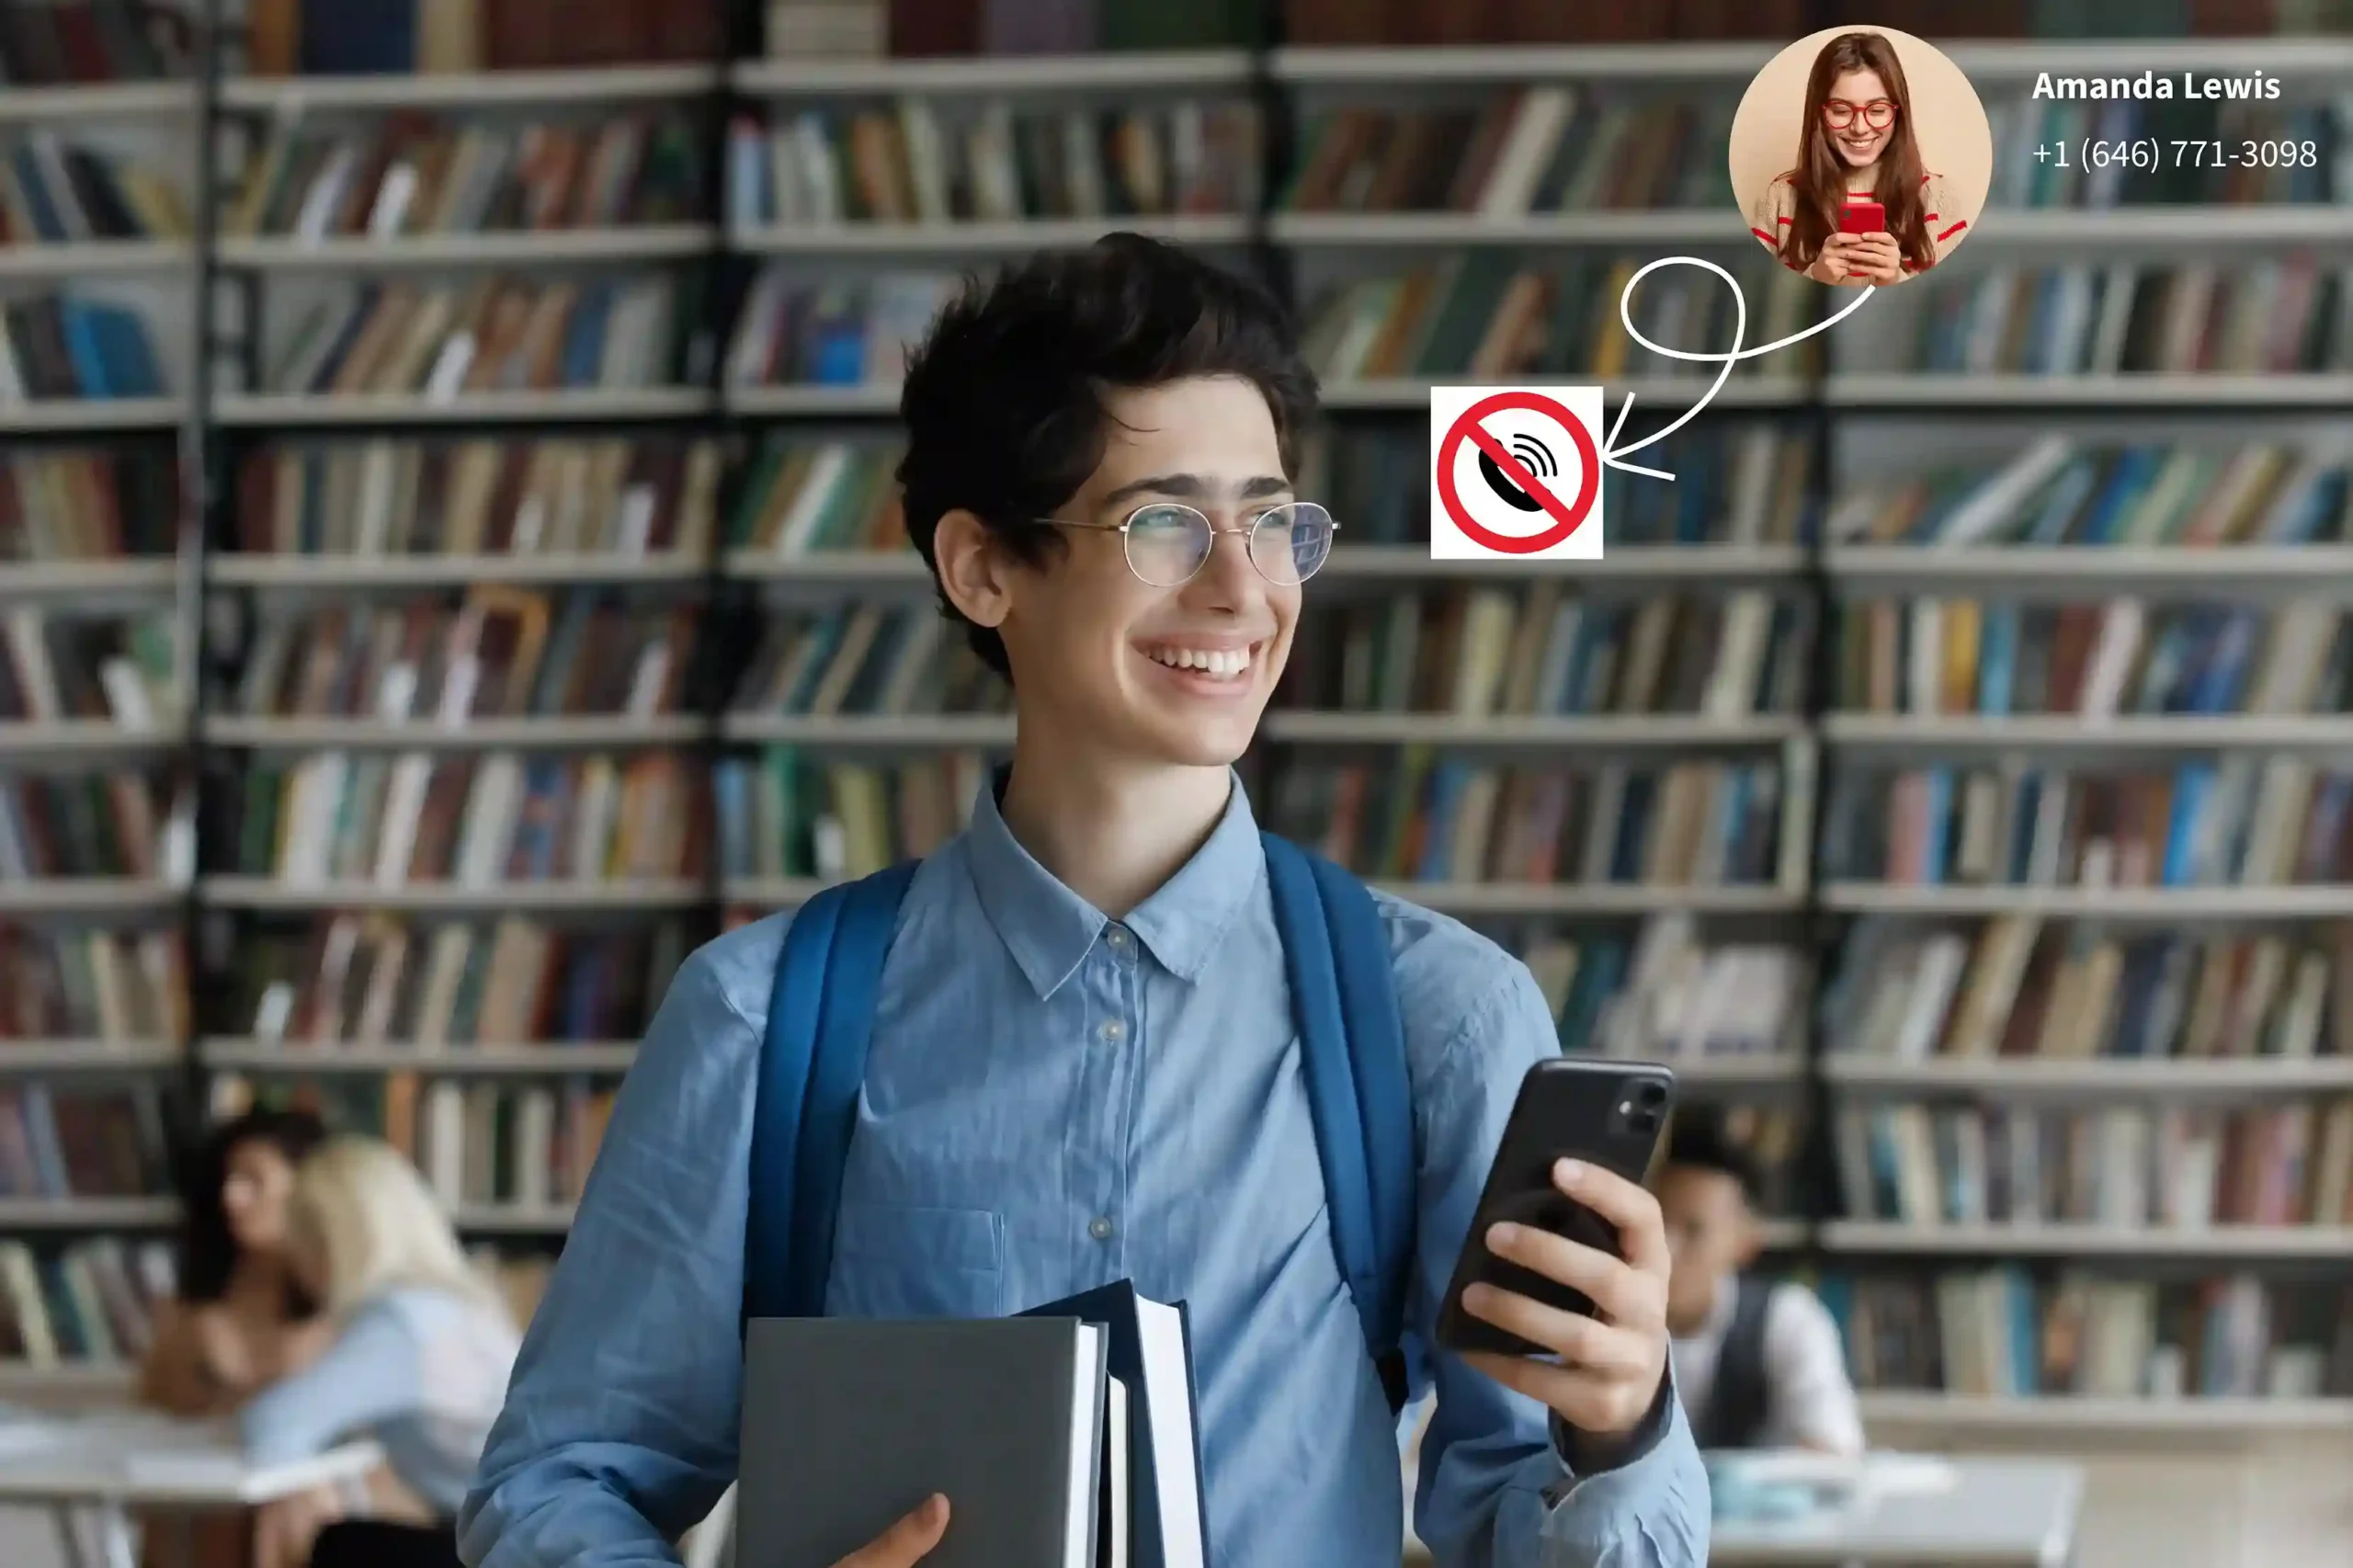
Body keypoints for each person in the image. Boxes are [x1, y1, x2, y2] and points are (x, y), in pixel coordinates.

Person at [459, 233, 1707, 1568]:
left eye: (1274, 519)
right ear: (985, 567)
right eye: (1166, 522)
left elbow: (1532, 1519)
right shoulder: (761, 1020)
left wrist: (1616, 1432)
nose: (1244, 587)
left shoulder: (1438, 1018)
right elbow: (556, 1484)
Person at [238, 1136, 522, 1568]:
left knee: (339, 1544)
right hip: (540, 1536)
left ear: (329, 1242)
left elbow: (271, 1428)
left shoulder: (399, 1324)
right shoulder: (461, 1305)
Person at [1657, 1114, 1861, 1456]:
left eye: (1693, 1230)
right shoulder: (1601, 1319)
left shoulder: (1788, 1320)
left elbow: (1833, 1450)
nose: (1664, 1247)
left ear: (1745, 1241)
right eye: (1656, 1222)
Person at [140, 1107, 331, 1417]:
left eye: (254, 1181)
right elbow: (152, 1407)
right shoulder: (201, 1295)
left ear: (307, 1187)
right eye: (227, 1180)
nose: (232, 1196)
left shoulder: (342, 1292)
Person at [1748, 30, 1966, 288]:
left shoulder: (1938, 200)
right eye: (1841, 110)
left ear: (1899, 115)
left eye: (1877, 110)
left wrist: (1895, 280)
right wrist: (1817, 277)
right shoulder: (1780, 199)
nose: (1860, 128)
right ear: (1818, 115)